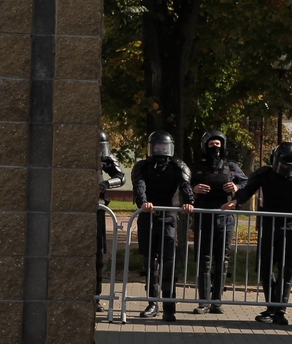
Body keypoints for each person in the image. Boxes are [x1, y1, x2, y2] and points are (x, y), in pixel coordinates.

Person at [222, 142, 292, 325]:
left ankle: (280, 311)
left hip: (290, 228)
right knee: (265, 266)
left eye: (289, 166)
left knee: (287, 268)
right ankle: (272, 306)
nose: (285, 169)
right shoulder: (265, 174)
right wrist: (235, 201)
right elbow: (247, 190)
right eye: (283, 165)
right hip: (269, 227)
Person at [131, 131, 194, 322]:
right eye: (156, 147)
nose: (160, 150)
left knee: (168, 263)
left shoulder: (177, 166)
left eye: (163, 147)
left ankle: (169, 306)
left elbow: (185, 185)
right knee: (150, 262)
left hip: (170, 220)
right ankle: (152, 302)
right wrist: (144, 202)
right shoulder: (142, 167)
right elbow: (139, 186)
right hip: (148, 218)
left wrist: (189, 201)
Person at [190, 130, 247, 315]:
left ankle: (216, 301)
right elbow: (182, 186)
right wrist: (194, 189)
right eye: (211, 143)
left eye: (218, 143)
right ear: (205, 145)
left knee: (221, 260)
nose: (215, 147)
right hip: (203, 217)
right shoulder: (196, 166)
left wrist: (237, 187)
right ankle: (203, 302)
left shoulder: (231, 166)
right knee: (204, 259)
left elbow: (248, 183)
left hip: (225, 219)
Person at [97, 131, 126, 311]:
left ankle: (97, 296)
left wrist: (105, 184)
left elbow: (121, 177)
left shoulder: (105, 157)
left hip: (97, 208)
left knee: (97, 255)